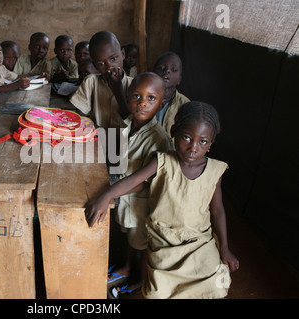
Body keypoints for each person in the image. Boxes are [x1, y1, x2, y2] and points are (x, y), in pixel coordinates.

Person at [85, 101, 239, 299]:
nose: (193, 148)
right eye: (186, 137)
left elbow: (217, 210)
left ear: (210, 144)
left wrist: (224, 247)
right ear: (173, 133)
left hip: (198, 240)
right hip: (163, 238)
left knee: (216, 287)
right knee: (158, 293)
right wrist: (106, 196)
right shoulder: (162, 161)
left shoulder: (215, 170)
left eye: (202, 142)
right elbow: (132, 181)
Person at [107, 72, 173, 296]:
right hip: (126, 197)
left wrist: (113, 191)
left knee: (142, 243)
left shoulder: (159, 139)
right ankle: (126, 268)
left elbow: (145, 183)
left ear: (161, 103)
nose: (142, 103)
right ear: (127, 97)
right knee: (129, 237)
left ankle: (141, 280)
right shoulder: (127, 123)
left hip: (141, 203)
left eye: (151, 99)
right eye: (136, 96)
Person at [70, 30, 133, 132]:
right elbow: (80, 115)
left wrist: (118, 91)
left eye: (113, 59)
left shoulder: (134, 85)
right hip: (97, 137)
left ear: (123, 54)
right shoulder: (90, 82)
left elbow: (131, 121)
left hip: (124, 143)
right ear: (95, 66)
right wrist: (97, 130)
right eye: (101, 63)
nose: (109, 67)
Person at [153, 51, 190, 136]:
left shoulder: (184, 104)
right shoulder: (141, 96)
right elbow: (122, 125)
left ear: (179, 79)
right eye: (162, 68)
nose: (167, 71)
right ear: (153, 73)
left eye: (173, 70)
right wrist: (121, 149)